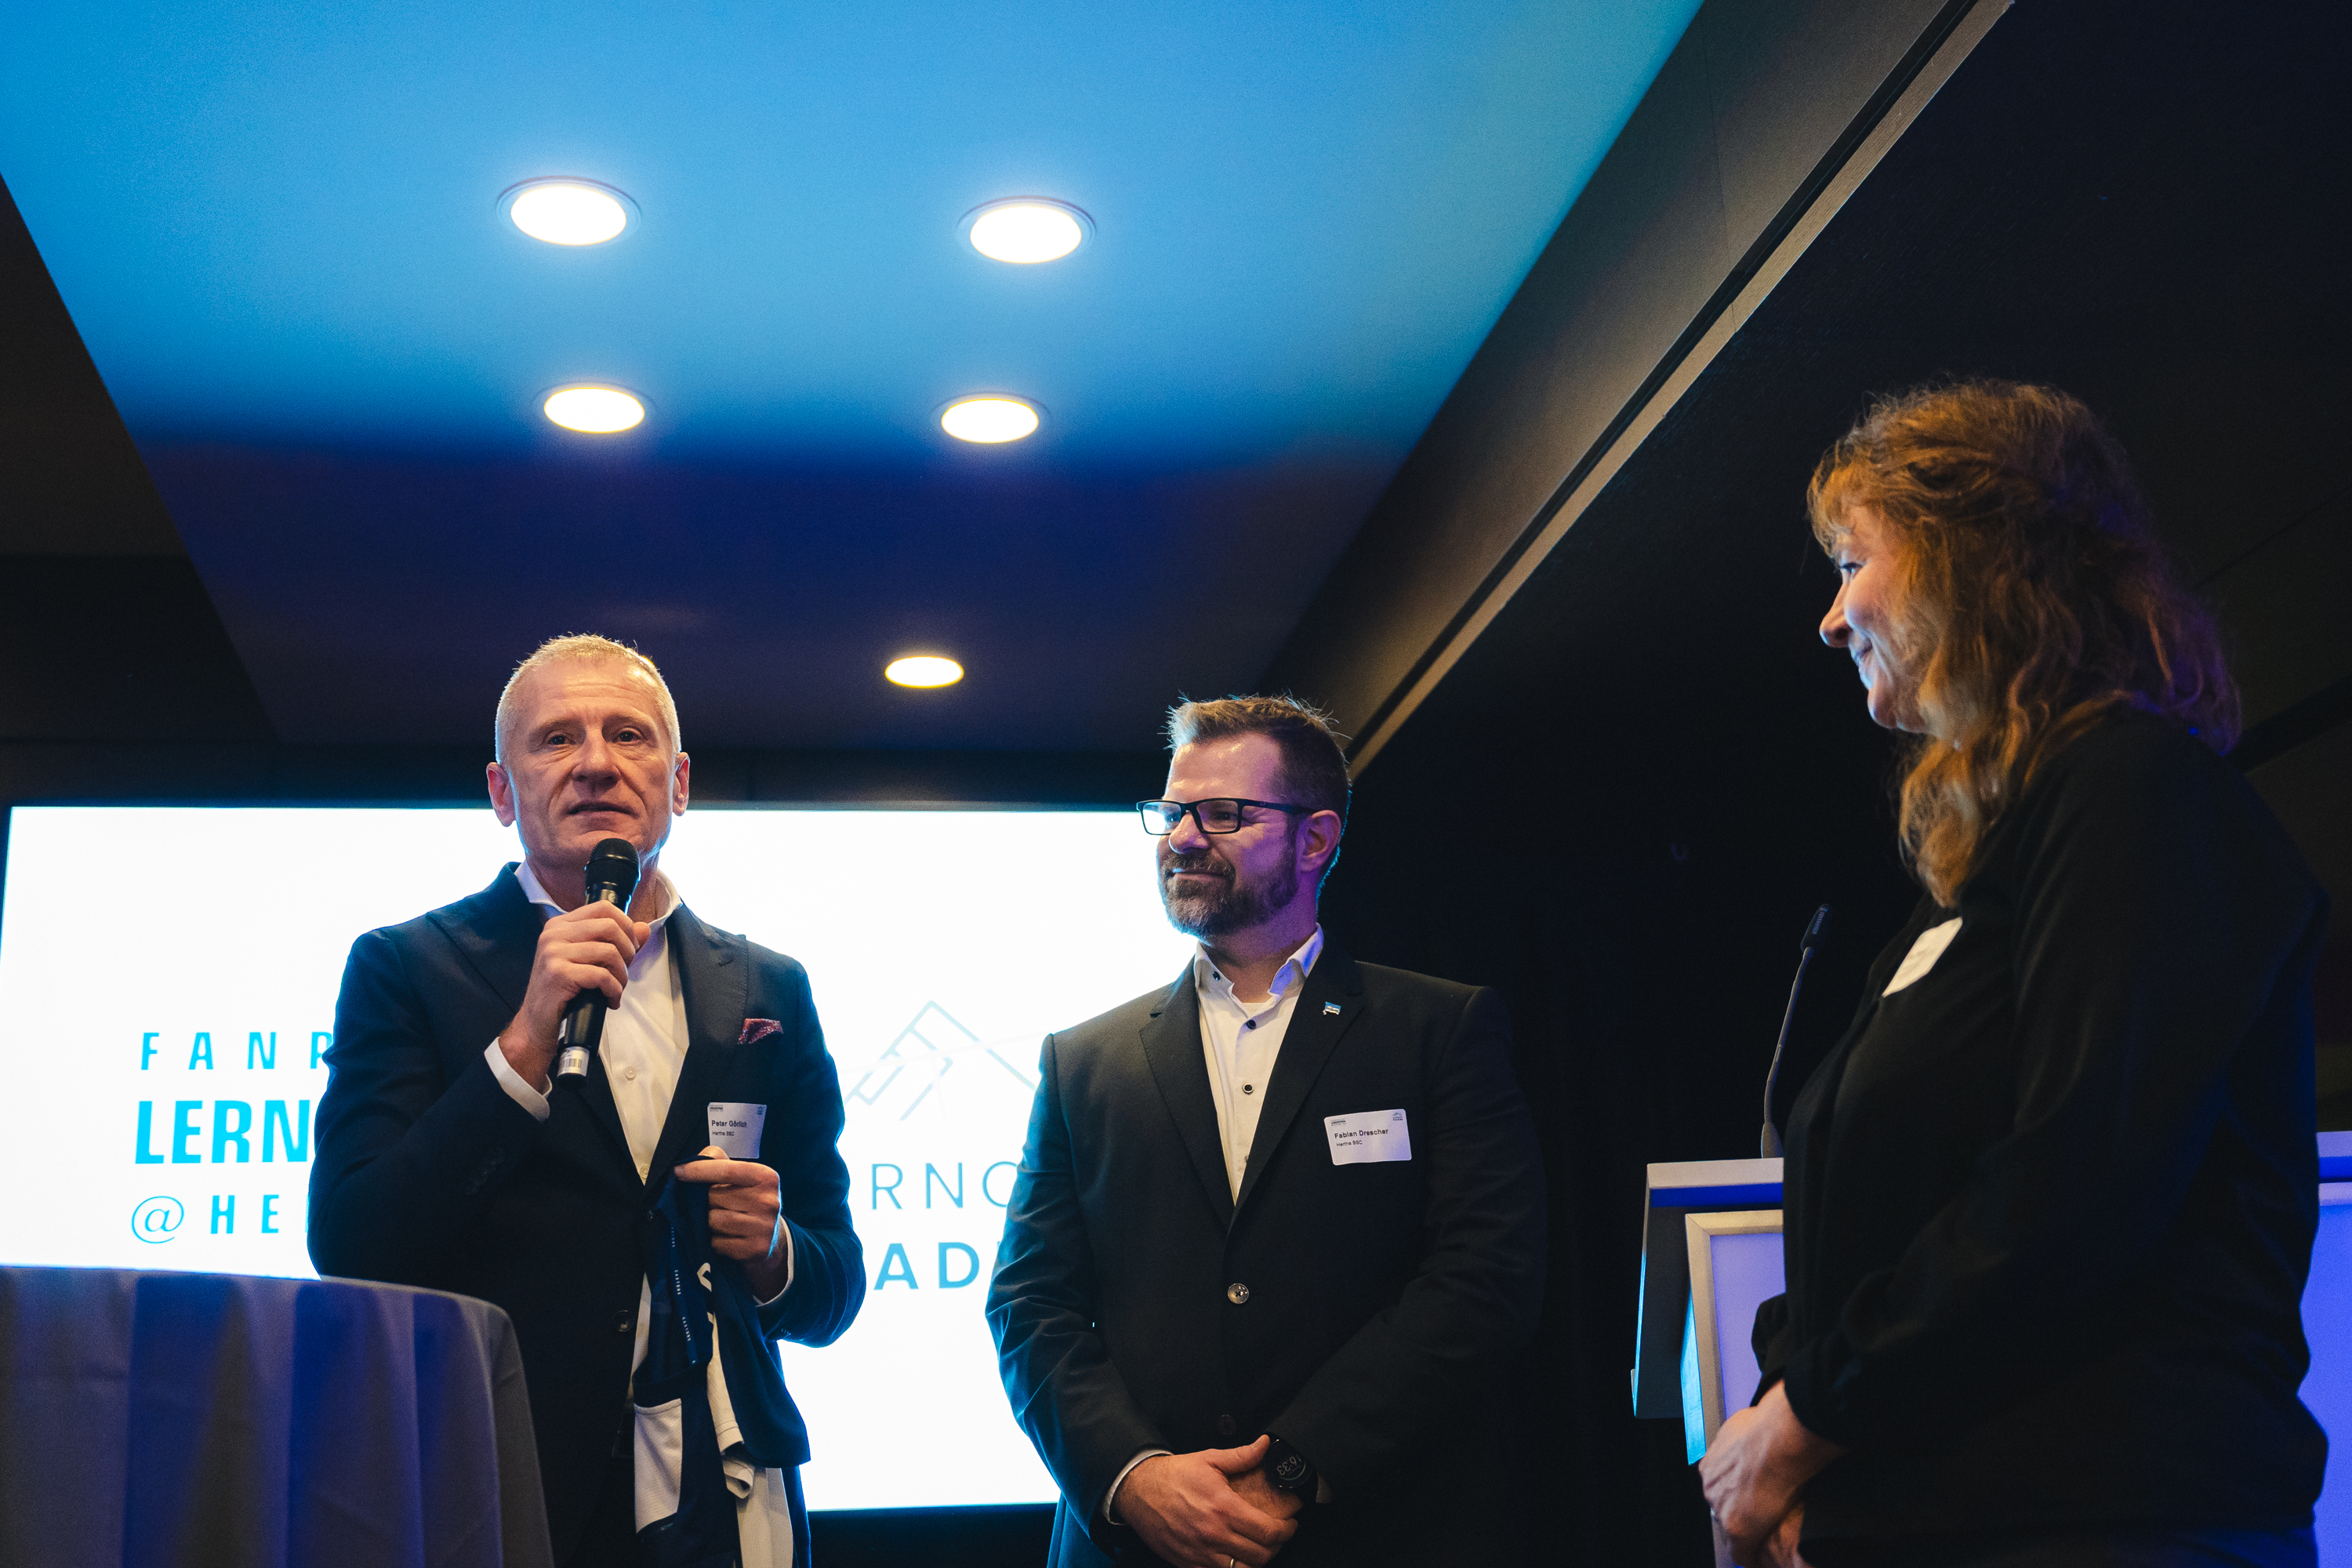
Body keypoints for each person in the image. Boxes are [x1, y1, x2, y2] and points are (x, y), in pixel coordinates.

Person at [1700, 383, 2329, 1568]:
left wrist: (1807, 1416)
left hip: (2111, 1520)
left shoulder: (2139, 788)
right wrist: (1783, 1422)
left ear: (1968, 559)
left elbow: (2078, 1181)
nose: (1831, 621)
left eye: (1852, 562)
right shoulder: (1983, 880)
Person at [310, 634, 863, 1568]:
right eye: (557, 739)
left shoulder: (769, 985)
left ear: (679, 782)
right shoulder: (408, 966)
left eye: (629, 736)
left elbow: (833, 1284)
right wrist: (524, 1042)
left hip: (725, 1495)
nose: (597, 762)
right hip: (499, 1482)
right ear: (501, 790)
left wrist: (773, 1251)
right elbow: (356, 1241)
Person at [987, 695, 1547, 1568]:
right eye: (1172, 812)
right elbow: (1029, 1302)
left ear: (1316, 839)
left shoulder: (1437, 1030)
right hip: (1137, 1544)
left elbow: (1484, 1282)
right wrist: (1136, 1475)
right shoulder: (1084, 1061)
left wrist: (1292, 1465)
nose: (1181, 837)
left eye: (1223, 813)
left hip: (1374, 1530)